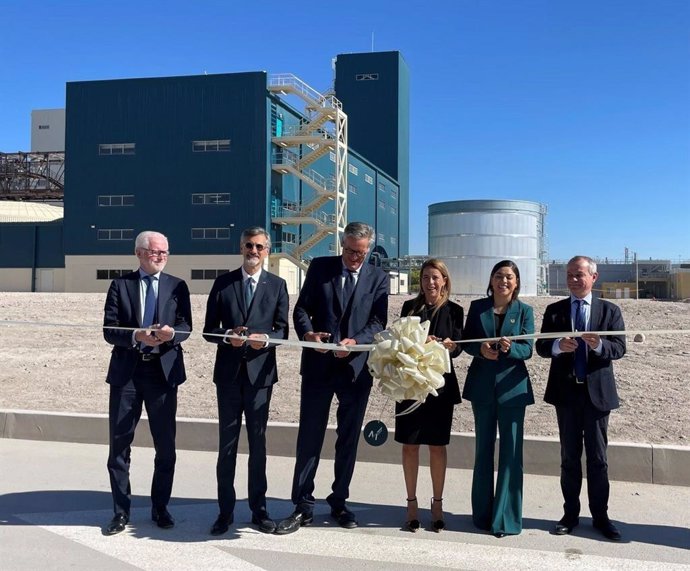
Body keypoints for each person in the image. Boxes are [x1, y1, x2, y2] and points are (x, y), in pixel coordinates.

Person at [276, 222, 388, 534]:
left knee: (348, 440)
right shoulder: (320, 268)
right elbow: (301, 310)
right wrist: (308, 333)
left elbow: (379, 320)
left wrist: (354, 343)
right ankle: (303, 504)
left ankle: (339, 501)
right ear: (342, 245)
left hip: (355, 370)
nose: (356, 257)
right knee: (309, 436)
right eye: (351, 251)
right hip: (318, 366)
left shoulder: (378, 277)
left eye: (362, 253)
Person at [102, 231, 192, 535]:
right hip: (127, 373)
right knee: (119, 444)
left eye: (165, 253)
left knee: (165, 446)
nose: (161, 257)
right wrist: (135, 336)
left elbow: (186, 327)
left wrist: (171, 334)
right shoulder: (120, 285)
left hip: (163, 374)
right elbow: (109, 330)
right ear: (139, 253)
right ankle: (120, 511)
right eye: (155, 252)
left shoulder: (178, 286)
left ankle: (160, 508)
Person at [203, 227, 289, 535]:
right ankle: (224, 512)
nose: (253, 251)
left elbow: (282, 331)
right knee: (227, 446)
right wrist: (228, 337)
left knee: (258, 445)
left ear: (267, 251)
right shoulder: (223, 283)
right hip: (227, 377)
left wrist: (264, 340)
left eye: (259, 247)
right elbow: (208, 329)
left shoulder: (278, 286)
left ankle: (259, 511)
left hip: (260, 377)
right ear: (241, 248)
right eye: (249, 245)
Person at [536, 255, 626, 541]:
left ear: (593, 277)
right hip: (567, 395)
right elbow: (540, 346)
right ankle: (570, 515)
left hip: (597, 396)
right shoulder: (555, 310)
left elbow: (619, 348)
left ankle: (601, 516)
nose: (574, 280)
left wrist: (599, 344)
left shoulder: (610, 311)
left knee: (598, 459)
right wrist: (557, 346)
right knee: (569, 458)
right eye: (570, 275)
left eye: (579, 275)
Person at [462, 260, 534, 538]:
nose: (503, 281)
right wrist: (481, 349)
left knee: (511, 455)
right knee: (482, 452)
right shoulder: (477, 308)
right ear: (490, 280)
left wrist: (510, 348)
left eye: (509, 277)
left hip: (513, 390)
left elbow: (529, 348)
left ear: (516, 282)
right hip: (482, 389)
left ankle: (506, 519)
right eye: (498, 276)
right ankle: (481, 515)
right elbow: (467, 342)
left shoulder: (525, 311)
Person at [396, 259, 463, 533]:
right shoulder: (408, 308)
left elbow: (458, 347)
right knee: (410, 445)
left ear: (444, 280)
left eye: (435, 277)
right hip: (410, 386)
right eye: (425, 277)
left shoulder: (455, 311)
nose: (430, 282)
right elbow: (399, 340)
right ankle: (411, 503)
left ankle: (437, 503)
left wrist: (449, 345)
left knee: (437, 446)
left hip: (440, 388)